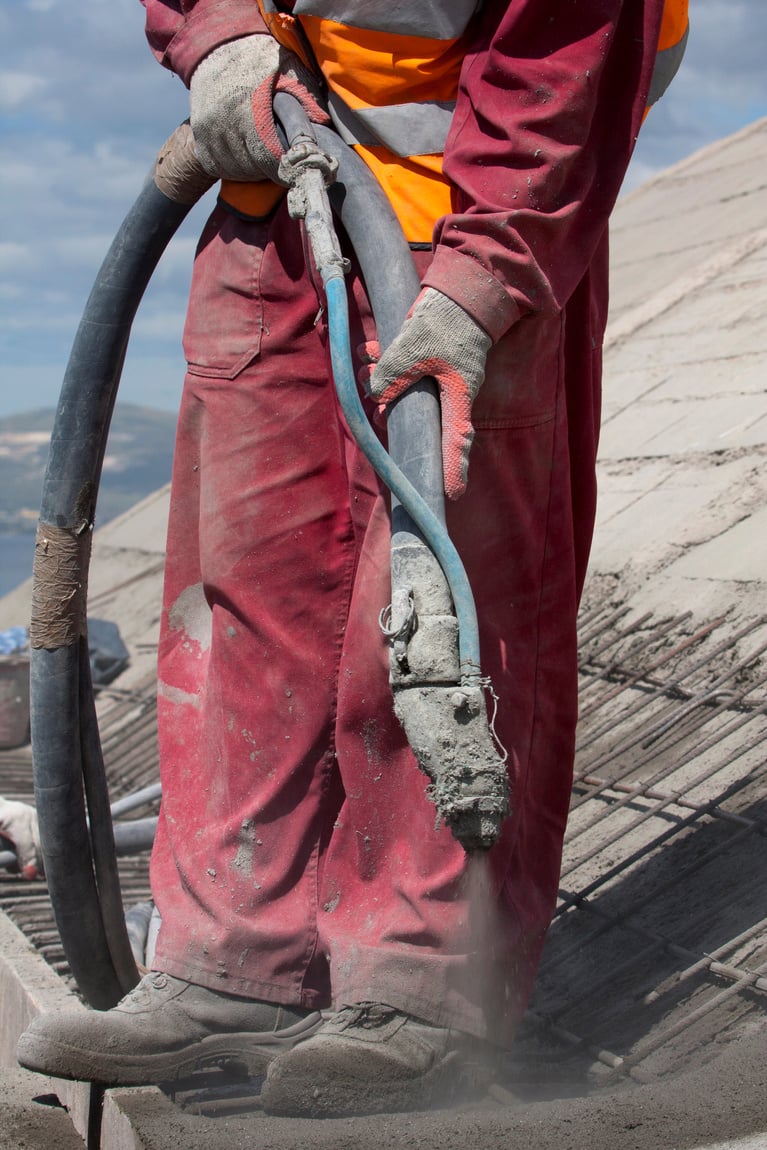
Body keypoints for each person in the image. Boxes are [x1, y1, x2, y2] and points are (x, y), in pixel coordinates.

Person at [17, 0, 688, 1117]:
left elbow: (562, 57)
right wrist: (220, 31)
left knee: (444, 601)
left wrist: (485, 284)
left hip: (480, 207)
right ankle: (237, 965)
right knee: (245, 581)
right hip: (270, 183)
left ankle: (419, 984)